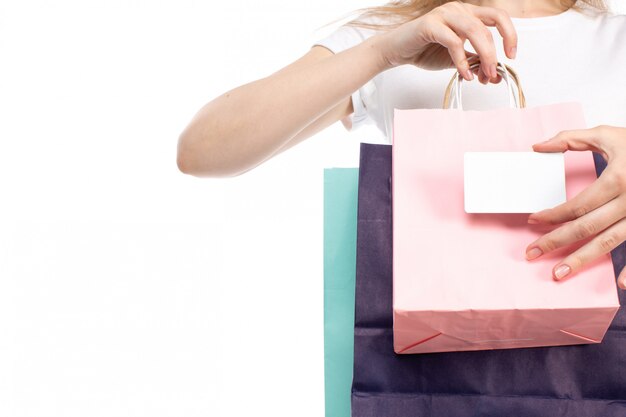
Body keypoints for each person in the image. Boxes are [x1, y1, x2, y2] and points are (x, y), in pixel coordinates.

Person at [176, 0, 626, 290]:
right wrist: (382, 54)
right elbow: (203, 150)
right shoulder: (399, 32)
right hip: (437, 354)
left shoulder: (616, 36)